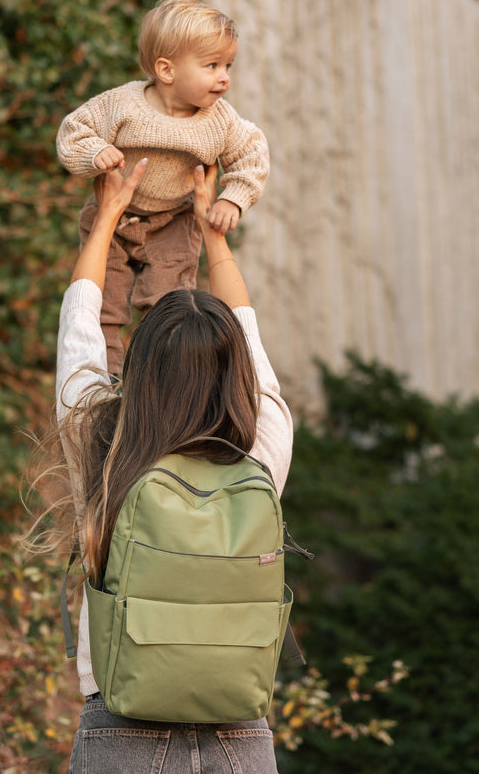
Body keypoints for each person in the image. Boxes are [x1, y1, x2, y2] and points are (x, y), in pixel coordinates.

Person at [25, 158, 292, 773]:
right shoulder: (263, 448)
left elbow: (80, 337)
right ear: (238, 378)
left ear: (141, 372)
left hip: (123, 729)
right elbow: (249, 338)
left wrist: (106, 222)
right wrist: (214, 237)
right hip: (240, 736)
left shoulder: (105, 448)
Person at [56, 0, 270, 374]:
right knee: (103, 306)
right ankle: (105, 381)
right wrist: (95, 153)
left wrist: (232, 200)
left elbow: (251, 154)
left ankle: (160, 381)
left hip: (174, 221)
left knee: (170, 307)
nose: (225, 76)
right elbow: (73, 131)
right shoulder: (121, 106)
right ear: (167, 70)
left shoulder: (220, 120)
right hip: (115, 221)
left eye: (228, 65)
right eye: (212, 65)